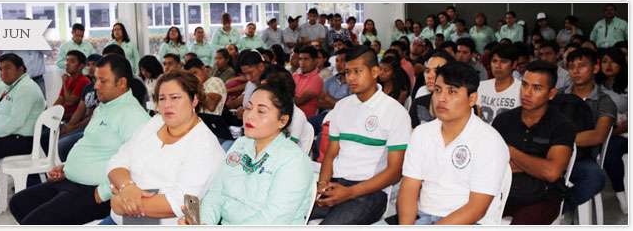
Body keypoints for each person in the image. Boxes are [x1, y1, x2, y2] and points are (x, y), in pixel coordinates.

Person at [6, 54, 149, 224]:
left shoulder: (133, 116)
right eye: (95, 79)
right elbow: (91, 144)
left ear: (122, 83)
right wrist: (66, 167)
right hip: (69, 181)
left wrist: (102, 193)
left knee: (33, 222)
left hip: (93, 192)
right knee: (19, 203)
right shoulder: (105, 105)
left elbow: (140, 166)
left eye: (103, 81)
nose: (95, 85)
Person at [178, 67, 314, 225]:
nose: (250, 115)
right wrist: (204, 224)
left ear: (282, 121)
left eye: (261, 111)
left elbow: (272, 220)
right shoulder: (242, 144)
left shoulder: (294, 161)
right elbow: (216, 194)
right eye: (249, 108)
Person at [99, 69, 224, 225]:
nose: (167, 105)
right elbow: (117, 161)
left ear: (194, 100)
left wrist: (122, 204)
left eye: (175, 98)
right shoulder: (155, 122)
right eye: (162, 99)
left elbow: (181, 202)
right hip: (118, 218)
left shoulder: (203, 144)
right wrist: (127, 186)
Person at [398, 61, 509, 225]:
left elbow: (476, 209)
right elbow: (408, 189)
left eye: (452, 92)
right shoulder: (421, 133)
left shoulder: (489, 141)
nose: (441, 98)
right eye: (438, 90)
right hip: (423, 216)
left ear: (472, 99)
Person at [309, 46, 410, 225]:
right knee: (290, 216)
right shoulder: (341, 107)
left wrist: (349, 192)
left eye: (357, 71)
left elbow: (394, 173)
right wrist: (323, 185)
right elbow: (331, 155)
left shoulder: (395, 112)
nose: (351, 77)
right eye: (348, 72)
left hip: (370, 192)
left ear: (374, 72)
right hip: (336, 183)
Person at [493, 60, 576, 225]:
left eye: (537, 88)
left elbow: (552, 172)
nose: (527, 93)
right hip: (501, 192)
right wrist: (536, 166)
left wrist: (512, 152)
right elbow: (492, 165)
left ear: (551, 94)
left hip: (542, 198)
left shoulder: (562, 125)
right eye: (524, 85)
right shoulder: (503, 120)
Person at [0, 54, 46, 215]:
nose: (3, 72)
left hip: (22, 140)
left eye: (8, 68)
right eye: (0, 69)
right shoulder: (11, 87)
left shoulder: (26, 88)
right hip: (10, 136)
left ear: (21, 69)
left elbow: (16, 121)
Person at [560, 48, 614, 214]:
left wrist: (560, 141)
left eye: (582, 65)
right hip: (550, 155)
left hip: (581, 159)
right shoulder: (558, 97)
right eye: (571, 66)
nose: (575, 71)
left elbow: (598, 135)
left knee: (595, 178)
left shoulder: (603, 101)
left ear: (595, 69)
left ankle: (558, 208)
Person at [596, 48, 628, 214]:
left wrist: (610, 133)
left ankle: (621, 194)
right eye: (605, 61)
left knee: (610, 152)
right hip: (600, 131)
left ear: (622, 64)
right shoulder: (595, 84)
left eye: (614, 61)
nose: (608, 65)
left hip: (623, 132)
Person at [56, 54, 103, 162]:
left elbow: (94, 115)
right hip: (79, 123)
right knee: (54, 137)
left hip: (90, 125)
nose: (90, 68)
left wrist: (73, 127)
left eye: (94, 65)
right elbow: (80, 110)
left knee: (62, 143)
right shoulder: (88, 87)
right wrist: (69, 126)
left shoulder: (86, 82)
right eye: (89, 65)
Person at [477, 43, 521, 124]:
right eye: (494, 61)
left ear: (514, 64)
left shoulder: (521, 89)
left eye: (503, 61)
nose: (498, 65)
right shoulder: (481, 86)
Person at [54, 50, 91, 122]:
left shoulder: (83, 81)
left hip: (73, 117)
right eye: (67, 60)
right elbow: (60, 99)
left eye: (72, 61)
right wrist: (49, 113)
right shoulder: (68, 79)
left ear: (81, 66)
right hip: (62, 115)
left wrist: (64, 83)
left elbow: (69, 102)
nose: (67, 64)